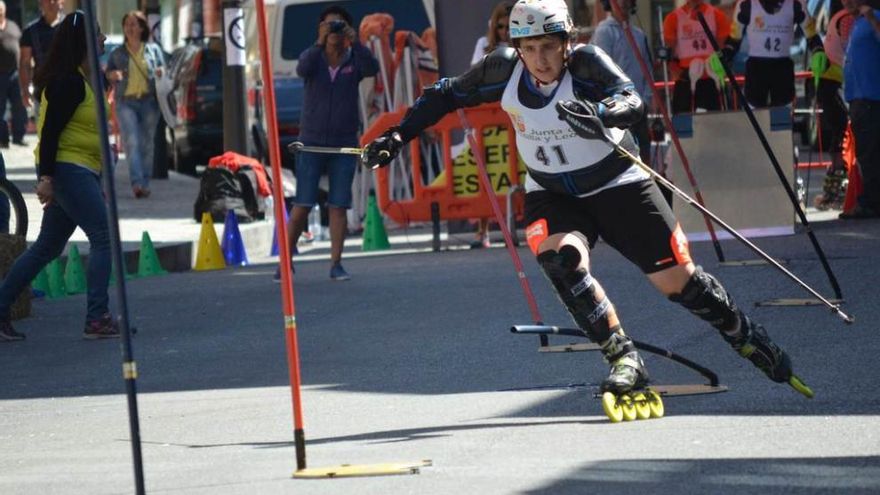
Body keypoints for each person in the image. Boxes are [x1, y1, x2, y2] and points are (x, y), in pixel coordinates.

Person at [363, 0, 804, 398]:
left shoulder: (587, 63)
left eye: (550, 47)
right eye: (530, 48)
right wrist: (397, 136)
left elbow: (631, 100)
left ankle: (739, 330)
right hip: (553, 191)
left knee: (679, 285)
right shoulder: (503, 69)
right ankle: (623, 358)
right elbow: (444, 94)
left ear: (567, 42)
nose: (541, 59)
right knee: (561, 262)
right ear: (517, 47)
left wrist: (602, 114)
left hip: (617, 185)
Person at [0, 11, 117, 342]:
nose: (104, 40)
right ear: (83, 41)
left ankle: (1, 307)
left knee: (47, 247)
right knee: (103, 236)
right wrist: (48, 178)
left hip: (81, 172)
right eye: (98, 35)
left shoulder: (83, 79)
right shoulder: (68, 83)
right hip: (69, 170)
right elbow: (49, 134)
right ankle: (97, 317)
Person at [277, 5, 379, 281]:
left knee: (338, 204)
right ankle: (285, 262)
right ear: (320, 30)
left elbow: (372, 68)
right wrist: (319, 42)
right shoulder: (313, 58)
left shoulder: (354, 60)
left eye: (339, 26)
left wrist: (356, 41)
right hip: (311, 142)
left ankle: (336, 263)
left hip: (343, 144)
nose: (334, 31)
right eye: (328, 26)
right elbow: (302, 69)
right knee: (303, 204)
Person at [105, 11, 165, 198]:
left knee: (147, 144)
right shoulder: (117, 53)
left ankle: (145, 182)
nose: (130, 28)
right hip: (126, 102)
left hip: (150, 101)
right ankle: (137, 183)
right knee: (132, 142)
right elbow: (107, 74)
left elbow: (164, 70)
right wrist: (112, 75)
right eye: (127, 25)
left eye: (134, 24)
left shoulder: (153, 50)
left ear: (141, 27)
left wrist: (161, 72)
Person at [722, 0, 824, 108]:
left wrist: (818, 51)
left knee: (782, 114)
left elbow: (811, 35)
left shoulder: (796, 4)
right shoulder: (746, 5)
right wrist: (724, 55)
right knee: (756, 112)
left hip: (782, 68)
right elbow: (734, 39)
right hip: (757, 69)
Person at [469, 1, 513, 249]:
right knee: (487, 170)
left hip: (518, 117)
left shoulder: (527, 44)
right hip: (489, 116)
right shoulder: (483, 45)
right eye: (500, 26)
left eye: (508, 26)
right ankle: (482, 230)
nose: (504, 31)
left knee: (521, 173)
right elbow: (474, 75)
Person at [591, 0, 652, 163]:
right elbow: (601, 72)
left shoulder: (639, 34)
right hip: (618, 109)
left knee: (644, 156)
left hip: (639, 106)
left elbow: (647, 69)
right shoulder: (604, 32)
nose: (623, 3)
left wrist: (646, 99)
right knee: (623, 159)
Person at [839, 0, 880, 219]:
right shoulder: (857, 22)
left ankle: (871, 202)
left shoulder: (873, 17)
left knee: (870, 153)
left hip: (871, 97)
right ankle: (870, 199)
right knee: (866, 153)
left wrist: (872, 17)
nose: (847, 3)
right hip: (859, 97)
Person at [813, 2, 854, 210]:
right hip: (832, 83)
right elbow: (850, 50)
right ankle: (838, 189)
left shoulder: (839, 15)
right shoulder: (846, 18)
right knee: (842, 133)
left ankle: (834, 188)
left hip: (831, 84)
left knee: (840, 134)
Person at [663, 0, 731, 113]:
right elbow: (669, 56)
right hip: (686, 80)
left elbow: (724, 50)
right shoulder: (673, 18)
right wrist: (680, 74)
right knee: (684, 122)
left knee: (717, 121)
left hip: (712, 80)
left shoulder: (717, 15)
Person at [19, 0, 64, 123]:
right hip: (43, 92)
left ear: (62, 2)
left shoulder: (72, 27)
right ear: (41, 3)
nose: (51, 3)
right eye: (47, 0)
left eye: (55, 0)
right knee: (47, 137)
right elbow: (25, 63)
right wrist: (25, 90)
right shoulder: (31, 31)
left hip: (68, 90)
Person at [0, 1, 26, 148]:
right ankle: (3, 139)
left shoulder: (13, 26)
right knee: (0, 110)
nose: (0, 13)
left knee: (19, 107)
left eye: (1, 10)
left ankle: (18, 137)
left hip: (15, 73)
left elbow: (22, 44)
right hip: (0, 75)